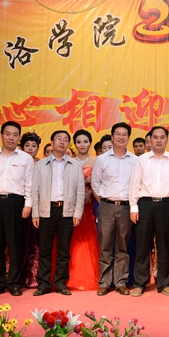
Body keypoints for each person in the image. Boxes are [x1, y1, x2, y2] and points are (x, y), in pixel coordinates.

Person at [0, 121, 34, 297]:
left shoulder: (25, 158)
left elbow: (29, 184)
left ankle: (14, 283)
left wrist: (27, 205)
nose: (11, 138)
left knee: (15, 245)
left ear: (19, 137)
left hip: (16, 203)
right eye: (8, 134)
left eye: (15, 135)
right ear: (2, 135)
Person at [129, 126, 169, 297]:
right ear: (150, 140)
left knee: (165, 246)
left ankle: (164, 283)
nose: (159, 140)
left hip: (167, 205)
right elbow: (134, 184)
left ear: (166, 139)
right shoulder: (142, 160)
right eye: (155, 137)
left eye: (162, 137)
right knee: (143, 246)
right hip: (145, 205)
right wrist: (133, 207)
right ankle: (140, 283)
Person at [31, 130, 84, 296]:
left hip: (66, 211)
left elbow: (80, 191)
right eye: (59, 139)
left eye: (65, 140)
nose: (62, 142)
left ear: (68, 144)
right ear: (52, 142)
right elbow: (35, 191)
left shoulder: (75, 165)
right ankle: (44, 284)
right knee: (45, 250)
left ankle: (61, 283)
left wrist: (77, 213)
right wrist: (35, 213)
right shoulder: (41, 165)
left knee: (63, 251)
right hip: (46, 211)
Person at [91, 123, 136, 296]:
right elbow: (95, 183)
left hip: (126, 207)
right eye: (118, 134)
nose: (121, 137)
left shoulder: (135, 160)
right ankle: (104, 282)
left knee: (123, 246)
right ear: (112, 136)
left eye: (125, 134)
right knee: (105, 245)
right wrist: (103, 203)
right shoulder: (102, 159)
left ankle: (121, 282)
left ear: (128, 138)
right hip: (106, 206)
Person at [68, 129, 99, 291]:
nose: (82, 145)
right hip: (73, 205)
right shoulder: (70, 161)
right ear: (74, 144)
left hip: (91, 204)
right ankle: (72, 276)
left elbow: (99, 181)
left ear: (90, 143)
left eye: (85, 141)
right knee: (73, 239)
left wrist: (90, 191)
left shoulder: (96, 161)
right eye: (79, 142)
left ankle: (89, 275)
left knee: (90, 238)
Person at [19, 132, 42, 288]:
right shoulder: (17, 162)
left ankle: (32, 276)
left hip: (37, 207)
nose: (30, 148)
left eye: (34, 146)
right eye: (27, 145)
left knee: (34, 242)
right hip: (19, 205)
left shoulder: (41, 164)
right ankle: (12, 274)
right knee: (16, 241)